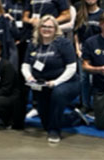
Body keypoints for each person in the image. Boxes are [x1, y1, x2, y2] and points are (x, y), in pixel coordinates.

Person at [21, 15, 84, 143]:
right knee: (46, 123)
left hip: (67, 82)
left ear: (55, 29)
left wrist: (56, 82)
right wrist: (29, 76)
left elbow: (72, 68)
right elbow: (25, 65)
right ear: (39, 28)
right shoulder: (33, 43)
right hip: (44, 83)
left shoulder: (63, 43)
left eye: (50, 27)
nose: (46, 29)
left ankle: (55, 131)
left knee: (58, 93)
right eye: (43, 26)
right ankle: (75, 117)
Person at [74, 0, 103, 113]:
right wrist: (77, 49)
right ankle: (85, 104)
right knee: (83, 79)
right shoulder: (80, 14)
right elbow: (76, 34)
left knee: (95, 80)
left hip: (98, 52)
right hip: (83, 52)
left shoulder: (103, 14)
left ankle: (96, 105)